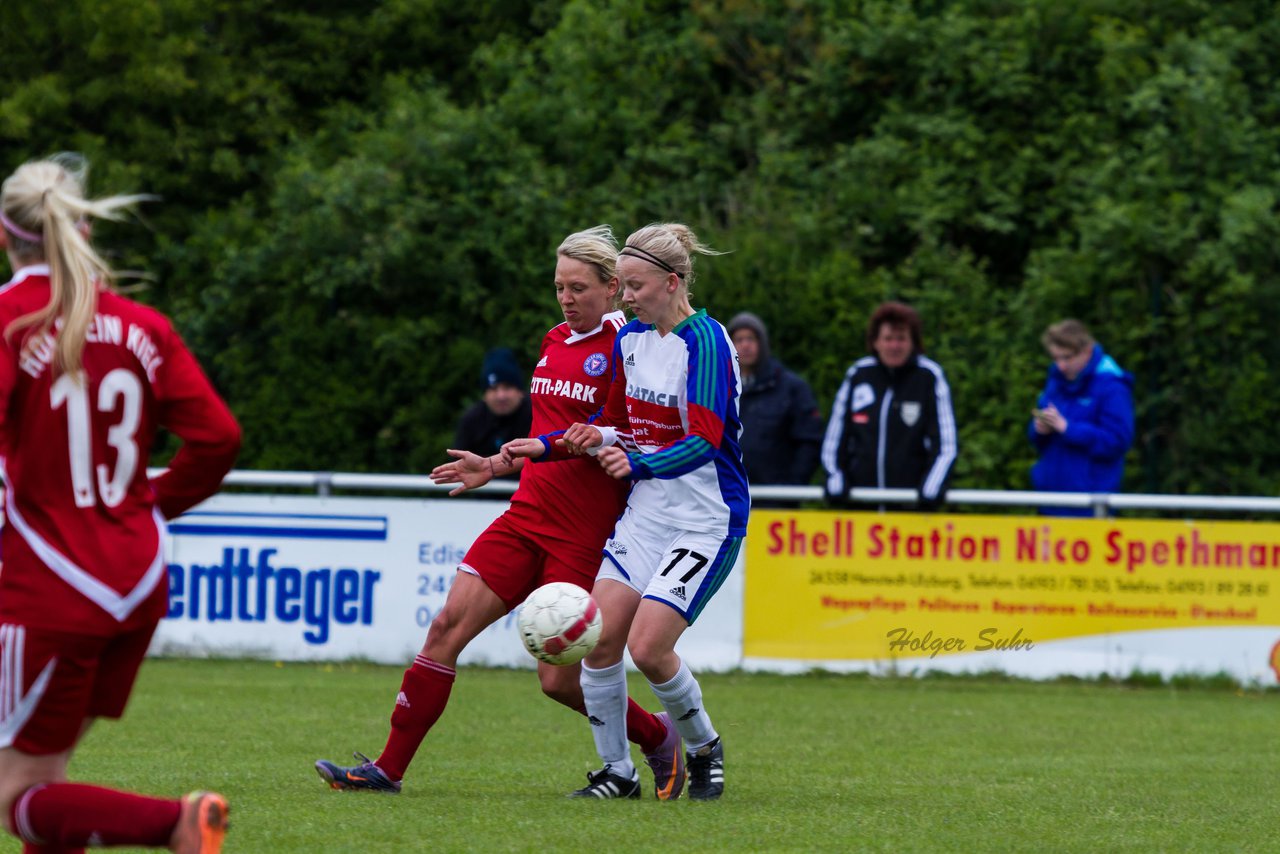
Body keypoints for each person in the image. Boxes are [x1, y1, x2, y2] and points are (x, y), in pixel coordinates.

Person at [315, 226, 684, 799]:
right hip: (526, 515)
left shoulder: (630, 347)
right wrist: (495, 463)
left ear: (613, 287)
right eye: (559, 286)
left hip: (584, 536)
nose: (566, 298)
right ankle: (386, 769)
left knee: (557, 680)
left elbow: (622, 438)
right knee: (445, 628)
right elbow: (545, 432)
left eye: (578, 287)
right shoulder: (554, 338)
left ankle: (658, 736)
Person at [0, 155, 240, 851]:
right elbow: (218, 437)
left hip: (53, 583)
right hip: (135, 578)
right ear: (80, 224)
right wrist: (147, 505)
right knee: (49, 777)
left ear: (4, 233)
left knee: (15, 794)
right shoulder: (140, 324)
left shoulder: (12, 320)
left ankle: (176, 822)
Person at [507, 222, 749, 801]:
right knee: (601, 642)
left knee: (649, 648)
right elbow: (625, 422)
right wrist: (579, 437)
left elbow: (705, 441)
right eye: (623, 286)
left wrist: (635, 464)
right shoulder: (632, 339)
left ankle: (703, 747)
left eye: (635, 286)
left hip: (704, 518)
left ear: (671, 282)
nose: (626, 296)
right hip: (647, 516)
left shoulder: (707, 342)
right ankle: (617, 771)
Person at [821, 301, 957, 509]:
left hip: (910, 510)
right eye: (888, 339)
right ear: (875, 342)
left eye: (901, 339)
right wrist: (835, 478)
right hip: (859, 506)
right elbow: (835, 437)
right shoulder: (858, 374)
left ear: (913, 342)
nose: (894, 346)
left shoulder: (930, 377)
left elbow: (946, 444)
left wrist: (932, 487)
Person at [1029, 319, 1134, 517]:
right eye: (1055, 358)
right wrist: (1039, 430)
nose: (1060, 365)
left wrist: (1068, 429)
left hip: (1090, 507)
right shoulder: (1056, 381)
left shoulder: (1112, 386)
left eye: (1066, 358)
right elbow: (1039, 441)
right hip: (1049, 503)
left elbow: (1117, 441)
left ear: (1087, 351)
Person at [727, 312, 824, 491]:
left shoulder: (792, 387)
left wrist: (791, 488)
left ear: (762, 344)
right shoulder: (719, 387)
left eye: (751, 338)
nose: (745, 345)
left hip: (775, 502)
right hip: (729, 495)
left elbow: (810, 442)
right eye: (738, 339)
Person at [452, 347, 533, 478]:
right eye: (493, 389)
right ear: (484, 394)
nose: (501, 396)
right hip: (484, 496)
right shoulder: (472, 420)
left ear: (520, 391)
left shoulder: (536, 414)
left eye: (507, 387)